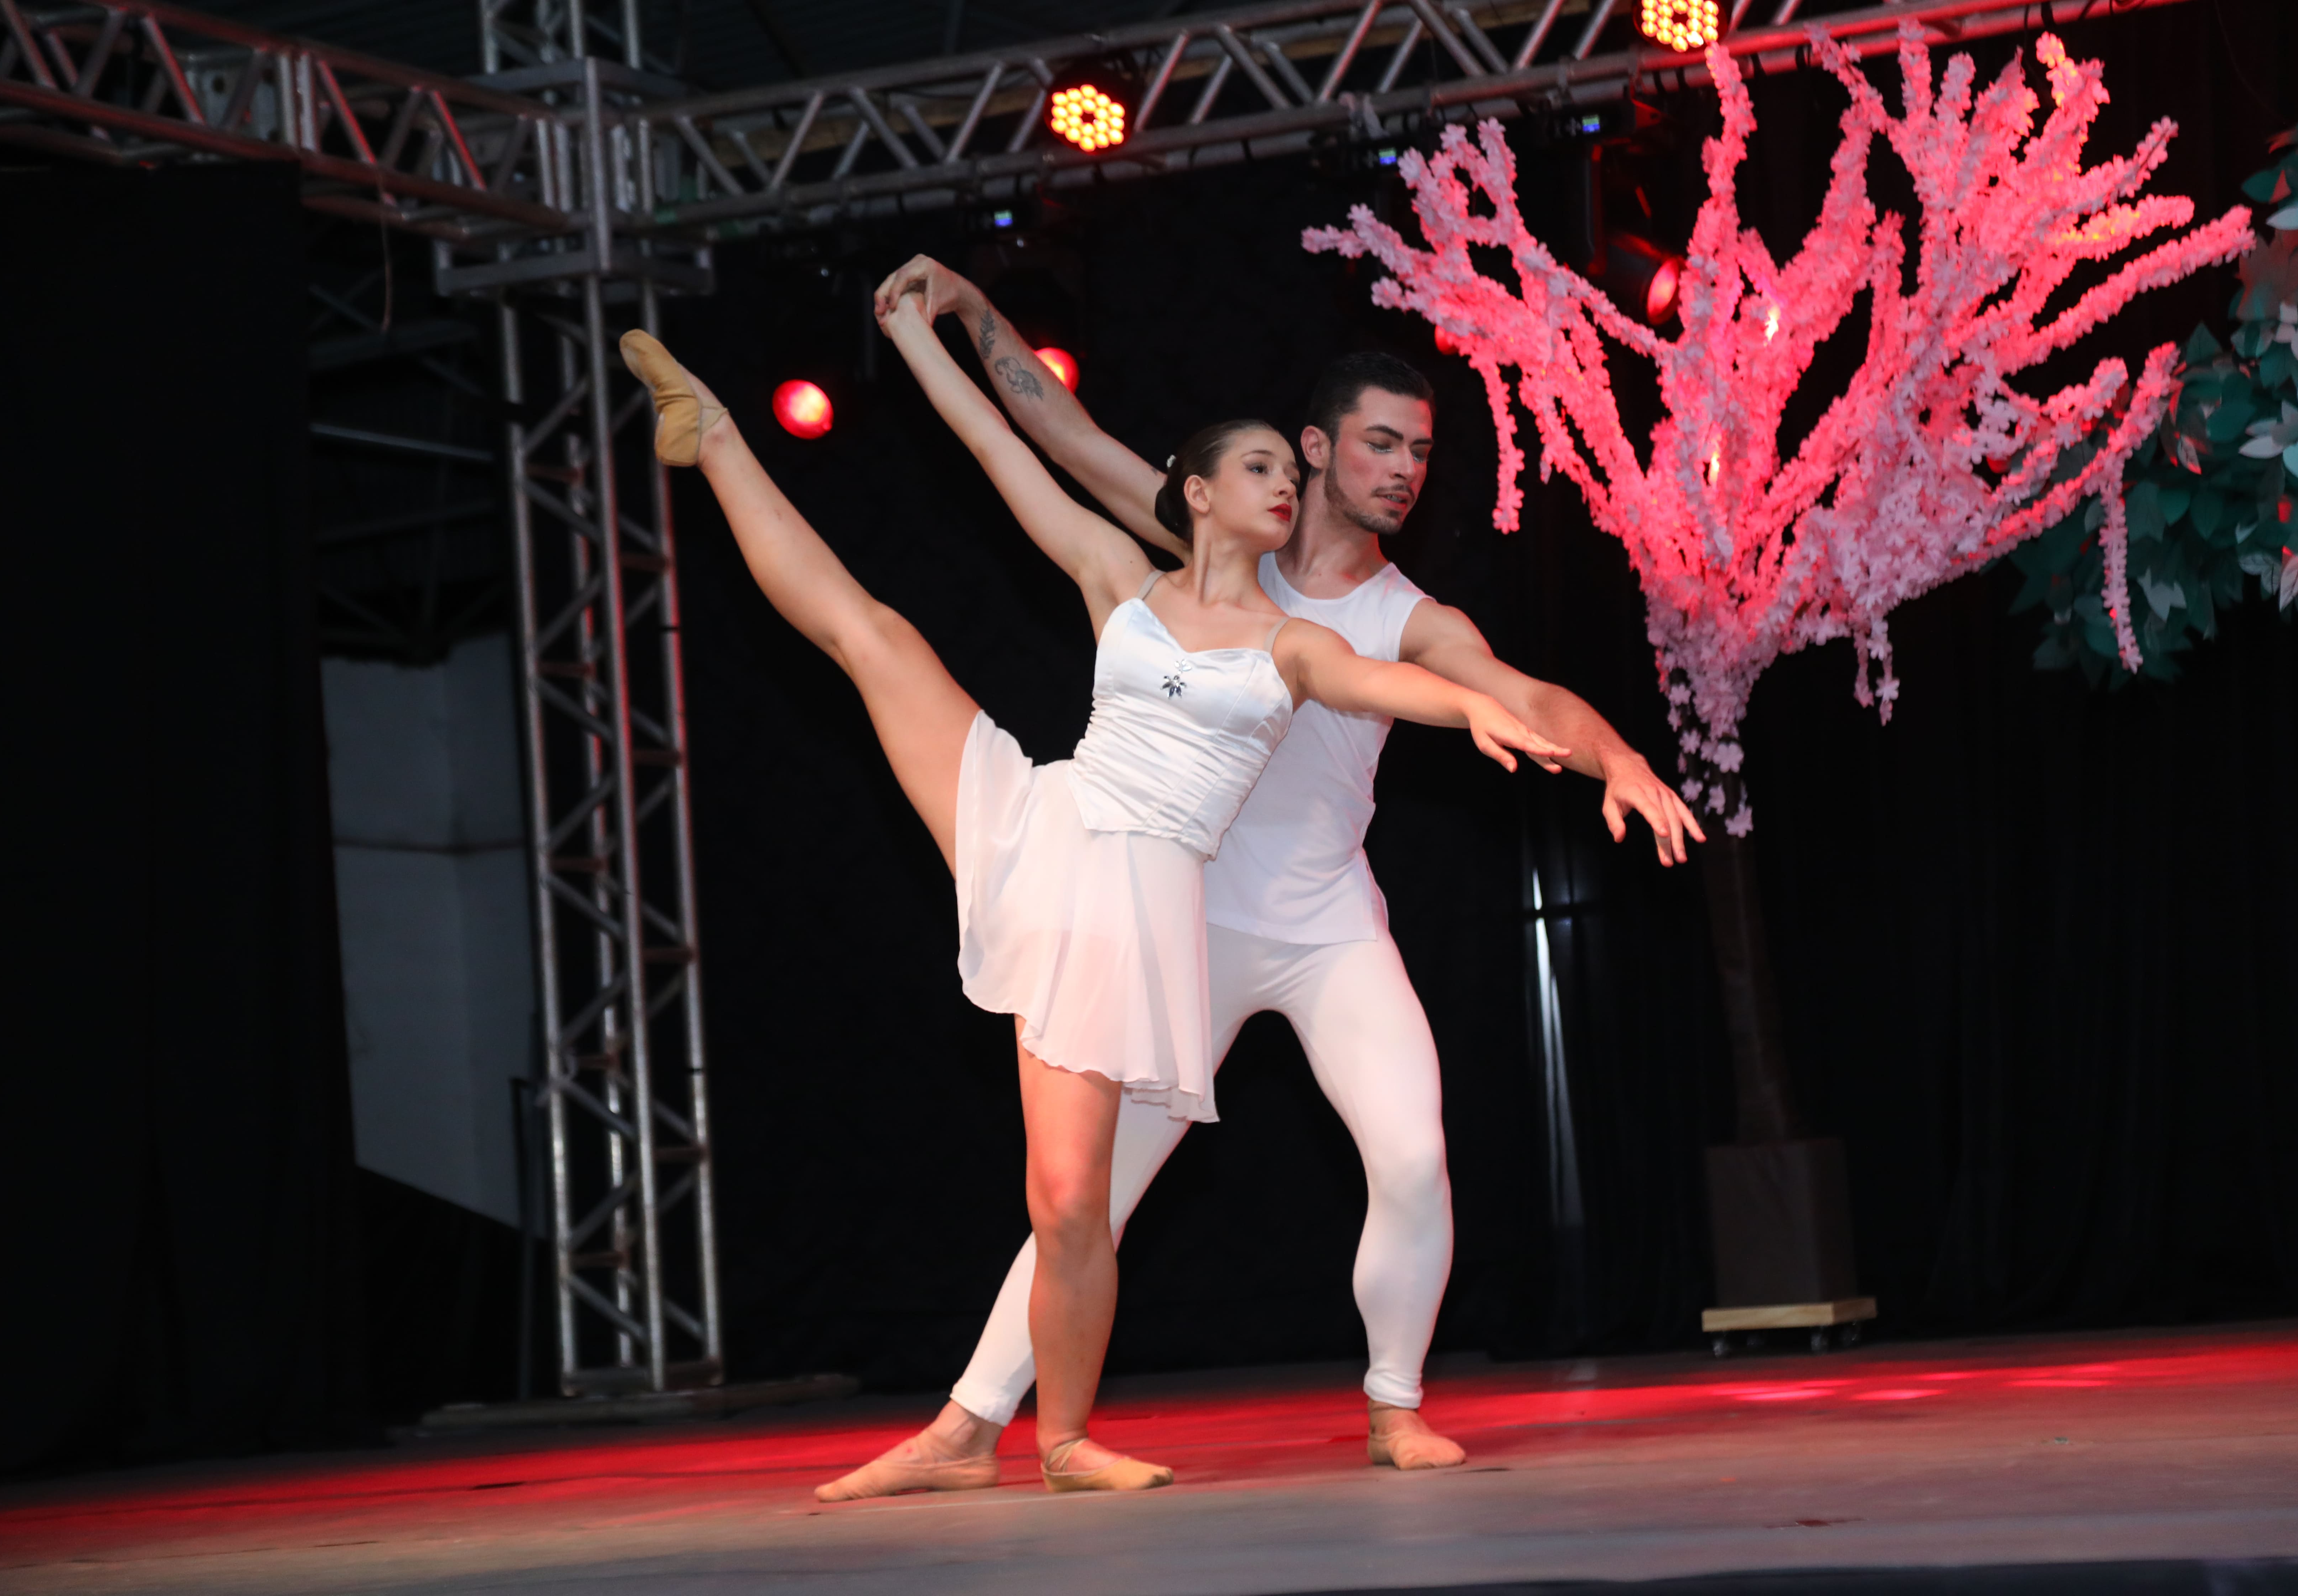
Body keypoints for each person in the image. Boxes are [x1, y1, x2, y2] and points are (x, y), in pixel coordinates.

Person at [615, 302, 1555, 1494]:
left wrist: (1478, 709)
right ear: (1197, 493)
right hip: (1045, 819)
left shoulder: (1294, 646)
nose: (1284, 484)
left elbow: (1395, 686)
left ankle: (1056, 1441)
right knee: (871, 636)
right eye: (1259, 466)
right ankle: (717, 437)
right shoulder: (1125, 576)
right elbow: (1000, 450)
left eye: (1291, 469)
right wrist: (913, 336)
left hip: (1133, 898)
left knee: (1069, 1201)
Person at [815, 256, 1704, 1502]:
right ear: (1314, 450)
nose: (1405, 469)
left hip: (1329, 924)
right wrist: (970, 310)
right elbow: (1060, 432)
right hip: (1182, 920)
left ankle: (1396, 1406)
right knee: (1085, 1201)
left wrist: (1618, 758)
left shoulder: (1409, 616)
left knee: (1412, 1154)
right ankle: (968, 1427)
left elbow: (1522, 696)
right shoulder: (1220, 551)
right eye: (1381, 443)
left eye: (1421, 451)